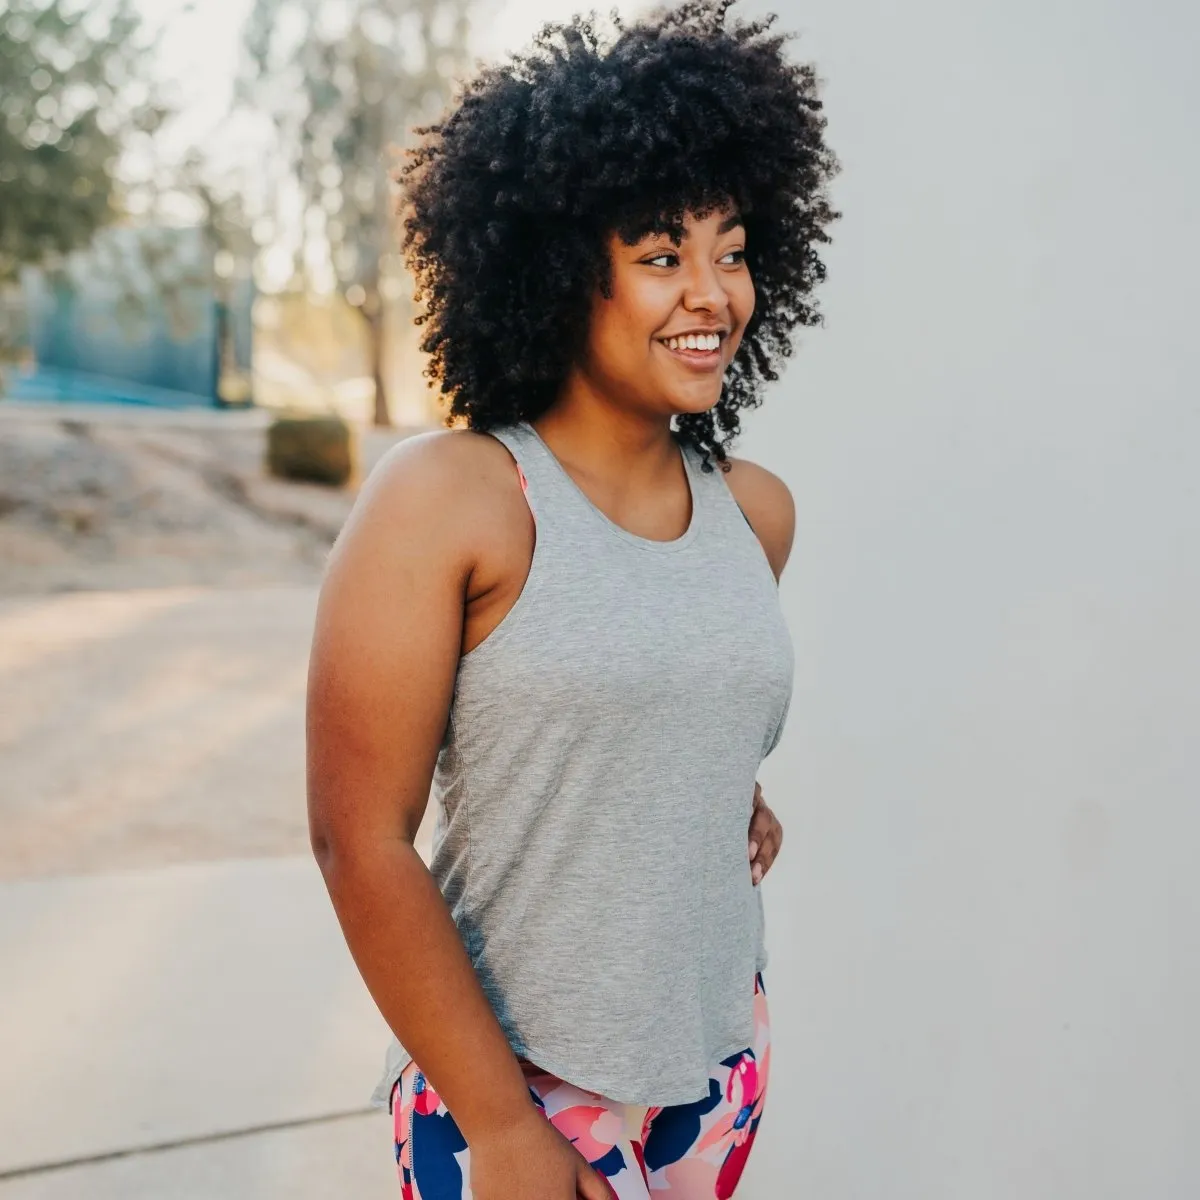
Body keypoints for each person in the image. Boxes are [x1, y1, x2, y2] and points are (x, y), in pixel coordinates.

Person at [305, 2, 839, 1195]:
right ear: (556, 269)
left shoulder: (755, 512)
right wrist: (500, 1129)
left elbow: (650, 702)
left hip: (714, 1064)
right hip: (513, 1085)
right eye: (661, 256)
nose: (714, 294)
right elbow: (359, 839)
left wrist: (719, 791)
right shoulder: (454, 498)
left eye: (733, 248)